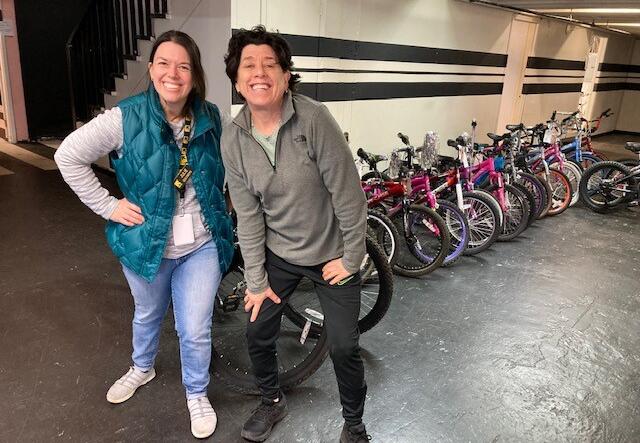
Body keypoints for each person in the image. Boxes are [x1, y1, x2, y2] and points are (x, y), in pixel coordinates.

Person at [55, 30, 233, 439]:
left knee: (195, 327)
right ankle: (142, 368)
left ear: (195, 75)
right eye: (164, 63)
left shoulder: (211, 117)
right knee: (148, 314)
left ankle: (196, 393)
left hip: (201, 245)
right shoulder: (125, 117)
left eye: (184, 66)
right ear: (151, 69)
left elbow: (226, 170)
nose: (174, 73)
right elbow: (67, 155)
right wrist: (109, 205)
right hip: (146, 243)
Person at [221, 26, 370, 443]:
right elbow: (248, 216)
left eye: (271, 64)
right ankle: (271, 401)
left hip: (332, 253)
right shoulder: (234, 139)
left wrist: (352, 256)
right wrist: (255, 280)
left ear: (286, 76)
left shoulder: (314, 119)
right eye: (249, 65)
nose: (260, 72)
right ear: (236, 79)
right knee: (256, 328)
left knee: (343, 345)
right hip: (279, 254)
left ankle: (355, 425)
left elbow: (349, 194)